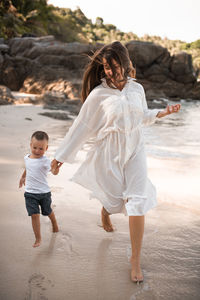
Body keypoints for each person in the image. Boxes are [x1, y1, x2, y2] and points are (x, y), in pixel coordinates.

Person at [51, 41, 181, 282]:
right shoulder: (98, 95)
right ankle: (106, 211)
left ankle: (135, 260)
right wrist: (60, 156)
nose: (111, 71)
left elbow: (142, 116)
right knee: (114, 200)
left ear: (125, 62)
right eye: (106, 67)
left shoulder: (137, 89)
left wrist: (163, 113)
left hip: (135, 148)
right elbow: (82, 127)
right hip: (110, 152)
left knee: (137, 200)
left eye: (114, 65)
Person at [19, 131, 59, 248]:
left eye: (41, 149)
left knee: (47, 211)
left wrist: (56, 168)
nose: (37, 151)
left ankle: (54, 222)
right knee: (34, 214)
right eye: (35, 147)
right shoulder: (27, 158)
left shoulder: (46, 161)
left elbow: (54, 172)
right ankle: (38, 238)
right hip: (30, 193)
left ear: (46, 148)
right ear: (31, 145)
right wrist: (22, 177)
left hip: (44, 193)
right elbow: (28, 167)